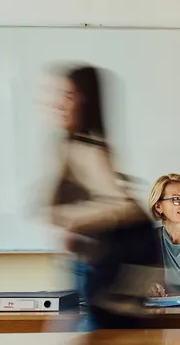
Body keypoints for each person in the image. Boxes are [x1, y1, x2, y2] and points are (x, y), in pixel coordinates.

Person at [45, 65, 159, 330]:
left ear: (86, 102)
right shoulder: (71, 144)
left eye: (69, 96)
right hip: (93, 263)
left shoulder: (87, 148)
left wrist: (68, 218)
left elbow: (120, 205)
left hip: (114, 264)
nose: (57, 104)